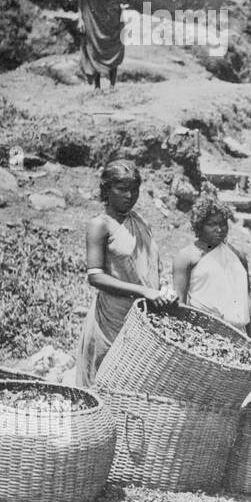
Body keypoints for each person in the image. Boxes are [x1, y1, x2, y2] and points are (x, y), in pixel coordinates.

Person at [77, 160, 175, 387]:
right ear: (106, 190)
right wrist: (144, 291)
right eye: (121, 189)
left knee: (138, 384)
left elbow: (151, 264)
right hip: (113, 316)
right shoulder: (100, 225)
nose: (129, 195)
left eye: (134, 189)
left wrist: (163, 289)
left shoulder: (139, 221)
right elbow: (95, 276)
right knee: (106, 380)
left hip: (143, 315)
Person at [172, 188, 251, 339]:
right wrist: (184, 338)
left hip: (239, 336)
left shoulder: (237, 255)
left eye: (223, 224)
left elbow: (248, 299)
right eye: (211, 224)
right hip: (204, 335)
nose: (219, 229)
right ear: (199, 225)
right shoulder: (187, 257)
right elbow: (180, 303)